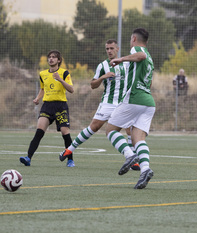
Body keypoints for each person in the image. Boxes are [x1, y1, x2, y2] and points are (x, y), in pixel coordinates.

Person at [59, 39, 139, 171]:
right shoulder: (102, 66)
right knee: (94, 127)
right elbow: (93, 85)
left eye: (112, 48)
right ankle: (69, 150)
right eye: (107, 49)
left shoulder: (126, 65)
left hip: (123, 103)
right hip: (107, 103)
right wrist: (103, 77)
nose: (109, 51)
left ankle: (132, 161)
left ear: (117, 49)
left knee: (130, 128)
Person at [107, 28, 155, 189]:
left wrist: (121, 59)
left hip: (135, 97)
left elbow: (139, 55)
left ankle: (129, 155)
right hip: (148, 101)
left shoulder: (138, 50)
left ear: (134, 38)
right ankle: (145, 170)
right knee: (138, 139)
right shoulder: (150, 57)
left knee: (111, 130)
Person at [19, 50, 75, 167]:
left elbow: (71, 89)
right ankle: (28, 158)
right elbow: (43, 89)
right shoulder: (43, 74)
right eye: (49, 57)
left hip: (61, 106)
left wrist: (60, 79)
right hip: (47, 106)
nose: (51, 59)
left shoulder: (64, 73)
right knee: (39, 132)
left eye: (54, 57)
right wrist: (37, 98)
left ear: (59, 60)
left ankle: (70, 160)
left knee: (65, 133)